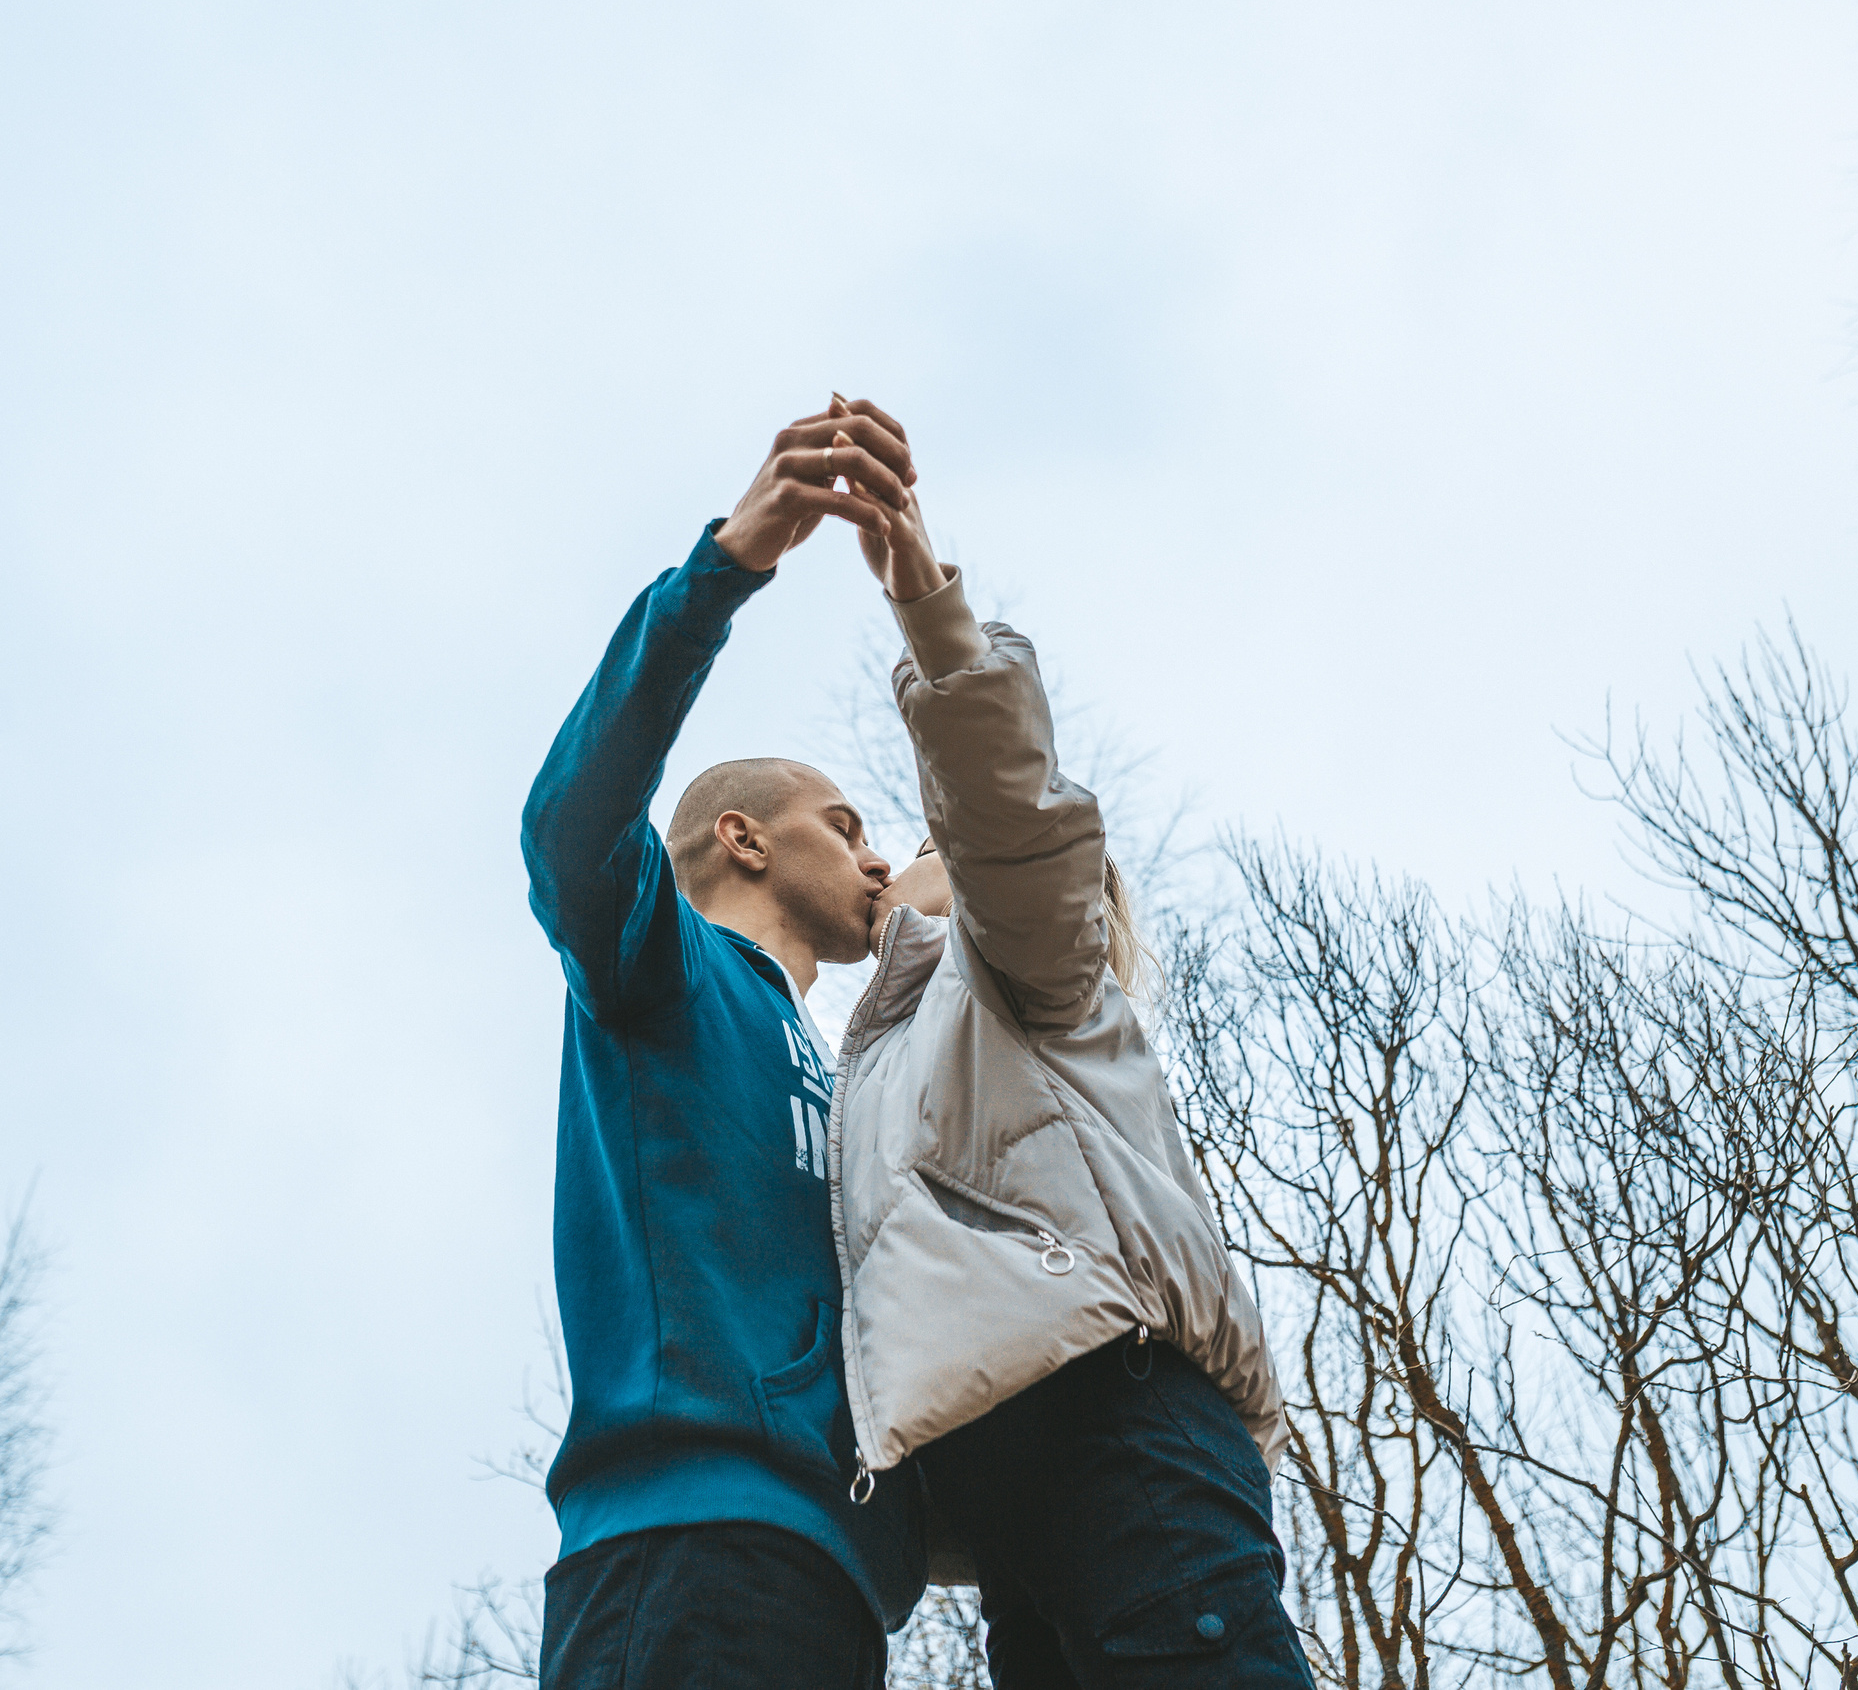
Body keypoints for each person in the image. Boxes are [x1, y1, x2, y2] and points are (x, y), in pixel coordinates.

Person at [824, 435, 1308, 1687]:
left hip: (1118, 1431)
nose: (888, 861)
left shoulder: (1022, 968)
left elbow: (1011, 826)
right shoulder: (877, 1052)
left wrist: (932, 617)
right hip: (1007, 1507)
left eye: (913, 844)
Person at [519, 398, 933, 1689]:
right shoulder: (664, 972)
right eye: (845, 820)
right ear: (746, 839)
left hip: (835, 1583)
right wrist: (726, 569)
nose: (877, 853)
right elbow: (571, 824)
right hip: (685, 1546)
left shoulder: (850, 1065)